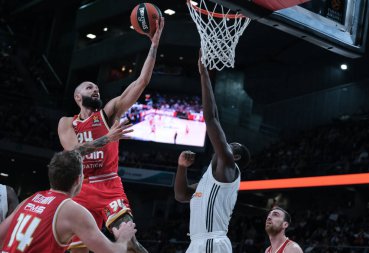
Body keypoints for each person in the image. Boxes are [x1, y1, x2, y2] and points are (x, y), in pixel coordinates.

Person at [57, 18, 164, 253]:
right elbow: (74, 152)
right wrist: (108, 138)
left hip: (108, 185)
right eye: (88, 88)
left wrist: (154, 46)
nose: (95, 89)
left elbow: (141, 82)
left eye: (96, 88)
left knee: (129, 243)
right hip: (81, 188)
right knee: (76, 251)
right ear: (77, 97)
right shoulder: (67, 123)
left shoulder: (107, 114)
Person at [174, 52, 251, 252]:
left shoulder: (228, 167)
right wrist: (182, 168)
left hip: (212, 242)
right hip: (199, 242)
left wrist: (204, 74)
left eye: (231, 145)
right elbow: (181, 195)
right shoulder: (209, 179)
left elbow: (211, 119)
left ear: (235, 157)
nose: (226, 144)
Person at [0, 150, 136, 253]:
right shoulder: (72, 210)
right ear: (78, 180)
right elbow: (111, 251)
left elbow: (1, 236)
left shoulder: (31, 199)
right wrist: (123, 238)